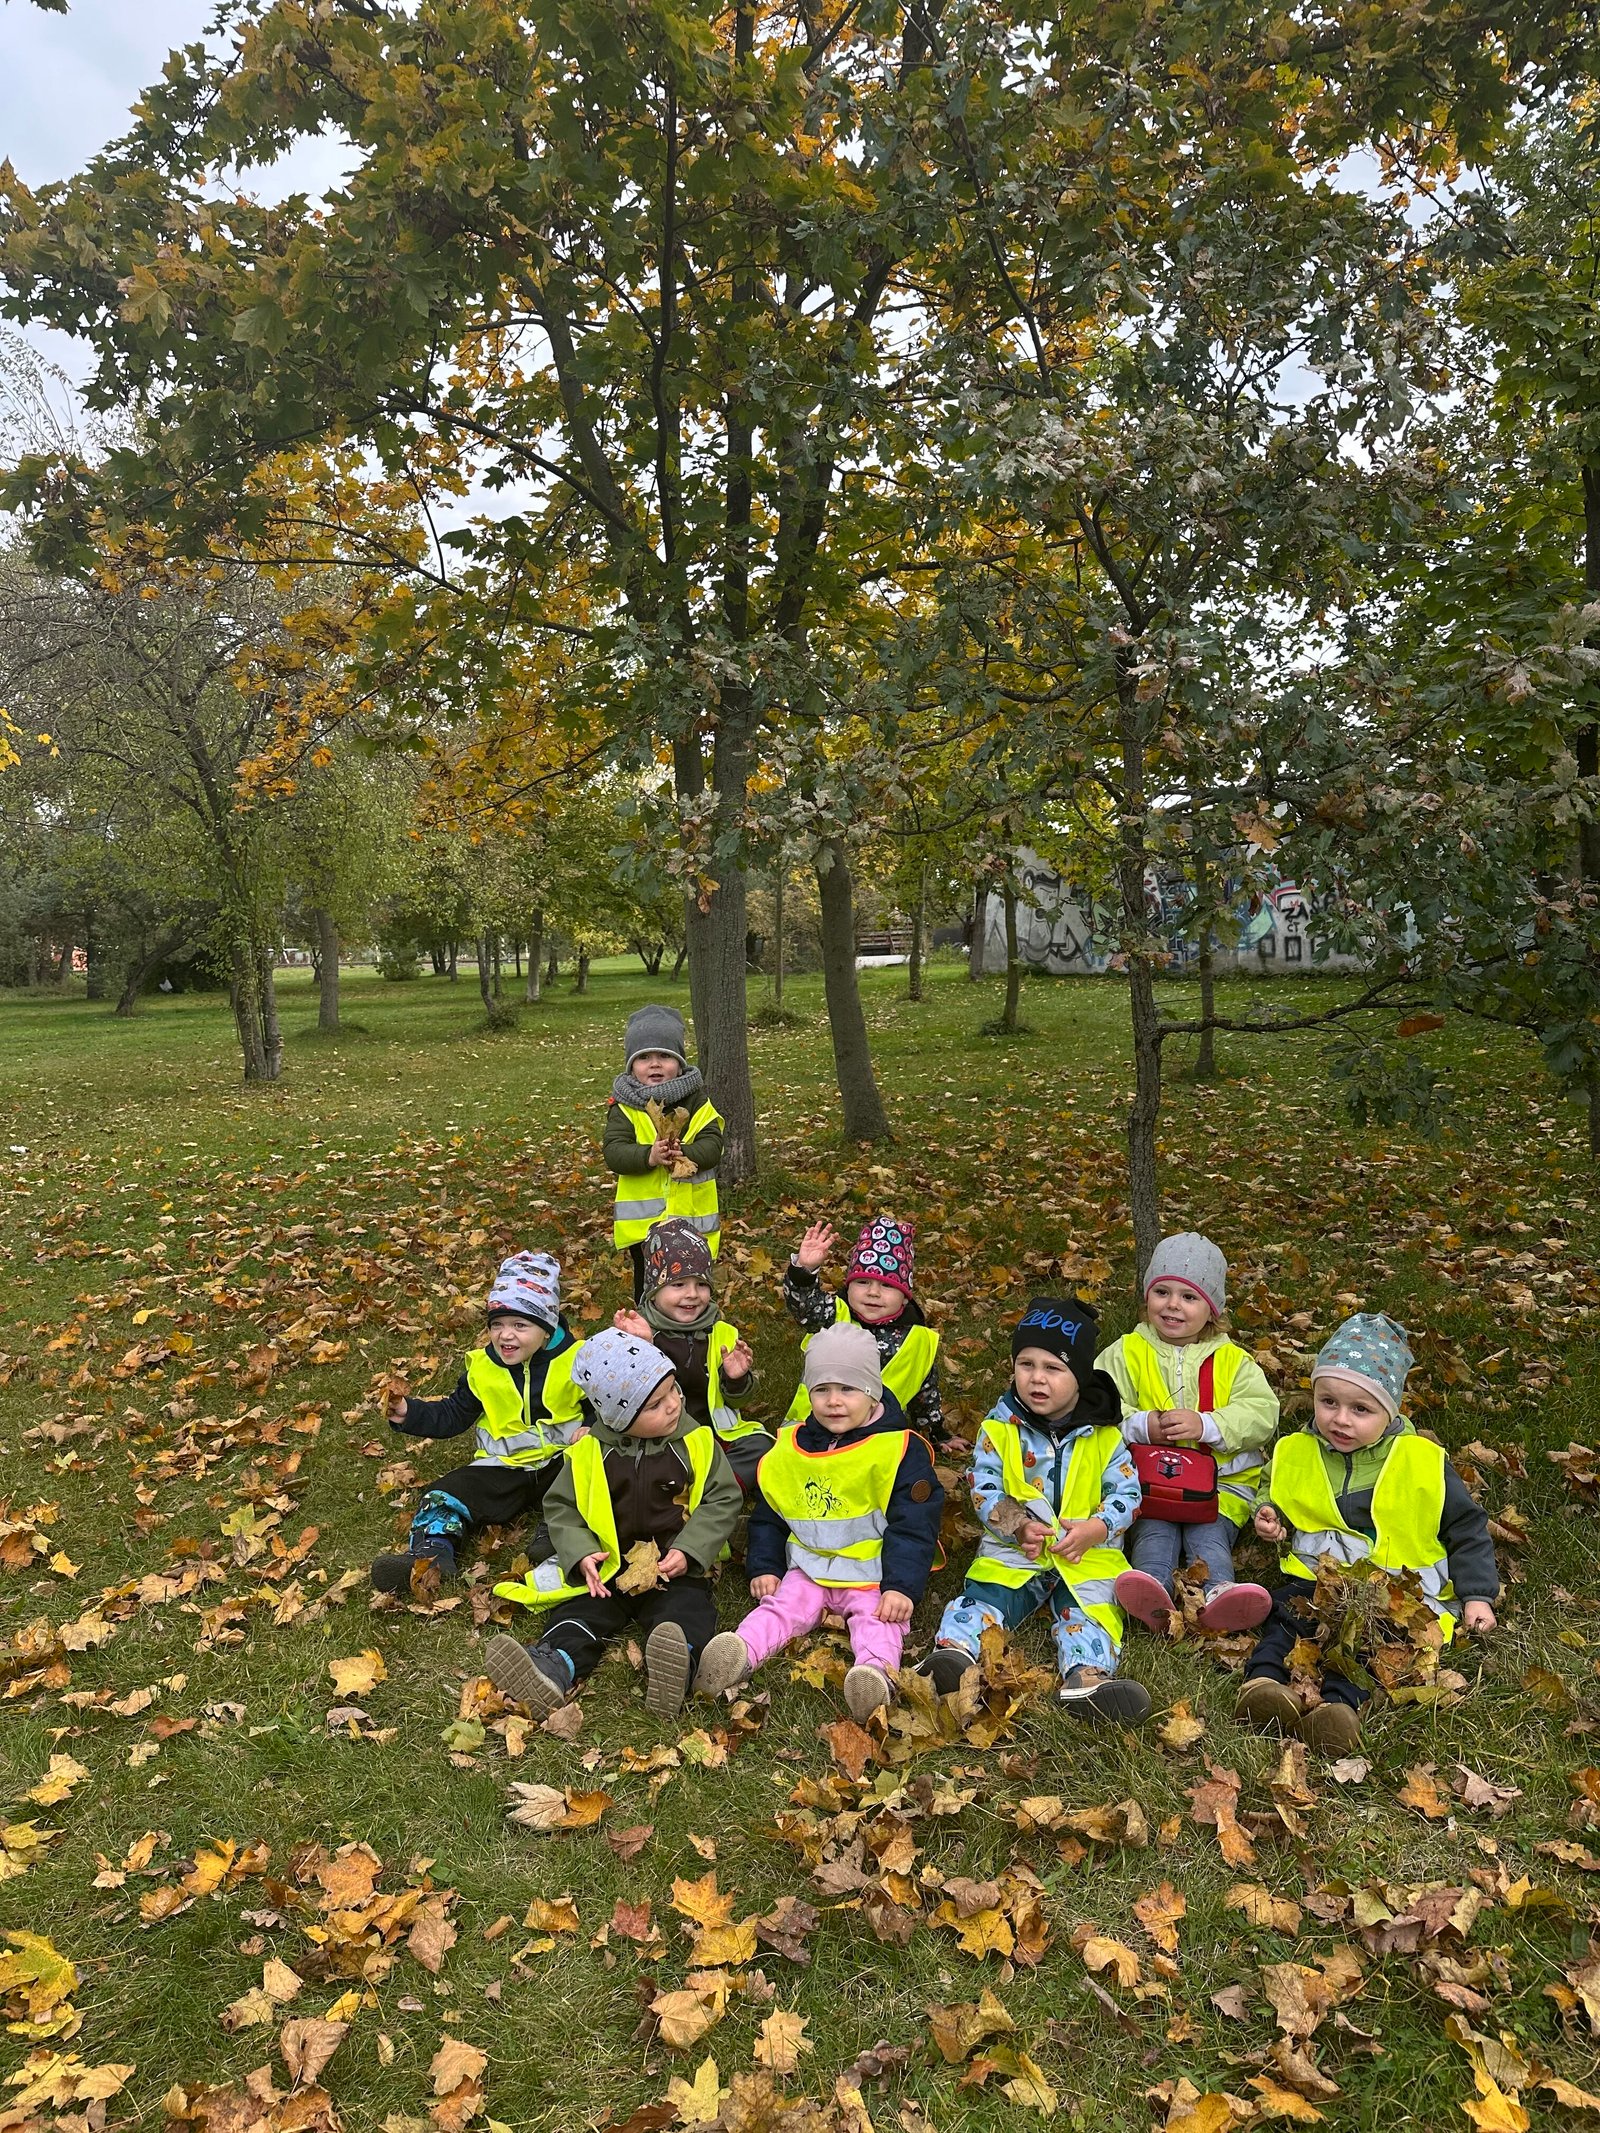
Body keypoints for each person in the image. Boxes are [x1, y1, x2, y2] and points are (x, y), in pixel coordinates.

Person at [1236, 1312, 1499, 1755]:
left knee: (1372, 1645)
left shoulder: (1422, 1461)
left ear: (1390, 1410)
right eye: (1328, 1402)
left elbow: (1466, 1528)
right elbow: (1276, 1489)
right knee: (1287, 1621)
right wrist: (1270, 1514)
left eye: (1361, 1409)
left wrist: (1477, 1595)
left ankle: (1339, 1710)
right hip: (1317, 1579)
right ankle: (1263, 1685)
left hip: (1394, 1590)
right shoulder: (1298, 1449)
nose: (1340, 1420)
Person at [485, 1327, 741, 1721]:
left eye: (673, 1390)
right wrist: (581, 1553)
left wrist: (691, 1549)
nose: (673, 1405)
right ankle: (552, 1667)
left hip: (674, 1567)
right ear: (619, 1418)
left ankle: (679, 1665)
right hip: (609, 1568)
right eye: (655, 1404)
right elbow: (562, 1507)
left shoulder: (697, 1443)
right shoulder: (590, 1452)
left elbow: (722, 1499)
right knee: (580, 1615)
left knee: (684, 1613)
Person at [695, 1324, 944, 1722]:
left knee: (879, 1621)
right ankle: (738, 1653)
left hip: (872, 1575)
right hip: (808, 1568)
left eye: (848, 1389)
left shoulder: (897, 1449)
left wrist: (901, 1587)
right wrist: (765, 1566)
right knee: (781, 1608)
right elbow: (770, 1514)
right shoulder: (791, 1447)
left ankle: (873, 1677)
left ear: (873, 1392)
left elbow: (914, 1526)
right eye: (821, 1389)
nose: (833, 1401)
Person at [924, 1297, 1151, 1723]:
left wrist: (1098, 1528)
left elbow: (1127, 1492)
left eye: (1053, 1368)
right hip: (1016, 1552)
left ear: (1080, 1377)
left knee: (1090, 1612)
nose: (1037, 1378)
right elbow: (983, 1486)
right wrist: (1017, 1525)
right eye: (1026, 1364)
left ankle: (1086, 1679)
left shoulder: (1105, 1436)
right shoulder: (1000, 1428)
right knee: (985, 1599)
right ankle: (953, 1656)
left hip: (1085, 1555)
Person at [372, 1252, 583, 1592]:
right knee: (442, 1494)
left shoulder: (578, 1360)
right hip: (502, 1469)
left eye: (520, 1325)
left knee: (591, 1481)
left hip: (563, 1462)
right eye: (497, 1324)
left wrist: (591, 1429)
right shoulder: (483, 1369)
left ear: (547, 1329)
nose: (505, 1335)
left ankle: (556, 1536)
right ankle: (430, 1555)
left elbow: (602, 1407)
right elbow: (453, 1414)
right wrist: (410, 1413)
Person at [1098, 1232, 1276, 1636]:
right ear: (1147, 1296)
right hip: (1148, 1482)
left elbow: (1262, 1413)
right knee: (1154, 1532)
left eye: (1189, 1296)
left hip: (1221, 1484)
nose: (1173, 1304)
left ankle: (1219, 1593)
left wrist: (1208, 1425)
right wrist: (1142, 1424)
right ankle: (1151, 1588)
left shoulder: (1233, 1361)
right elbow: (1097, 1406)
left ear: (1212, 1310)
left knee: (1208, 1536)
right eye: (1162, 1292)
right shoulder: (1124, 1352)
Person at [611, 1217, 772, 1497]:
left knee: (761, 1445)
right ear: (654, 1291)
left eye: (701, 1284)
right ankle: (706, 1487)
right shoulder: (638, 1331)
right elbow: (621, 1395)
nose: (692, 1294)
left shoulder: (722, 1333)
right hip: (662, 1436)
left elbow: (737, 1401)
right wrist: (642, 1348)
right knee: (632, 1458)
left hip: (713, 1433)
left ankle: (713, 1488)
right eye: (678, 1285)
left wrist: (736, 1379)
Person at [783, 1215, 945, 1446]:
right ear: (848, 1286)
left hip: (877, 1436)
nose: (873, 1292)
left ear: (905, 1297)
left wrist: (935, 1432)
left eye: (887, 1285)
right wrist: (804, 1271)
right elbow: (804, 1305)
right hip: (811, 1427)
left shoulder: (918, 1339)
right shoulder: (833, 1315)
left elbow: (925, 1393)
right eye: (863, 1282)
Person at [603, 1004, 723, 1299]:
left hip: (692, 1223)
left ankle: (693, 1320)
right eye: (643, 1057)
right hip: (644, 1229)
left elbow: (713, 1145)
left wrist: (686, 1152)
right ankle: (648, 1322)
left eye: (665, 1056)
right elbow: (614, 1152)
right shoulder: (625, 1107)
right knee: (648, 1287)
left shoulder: (697, 1102)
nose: (654, 1064)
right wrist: (650, 1156)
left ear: (679, 1064)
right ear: (631, 1065)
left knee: (692, 1284)